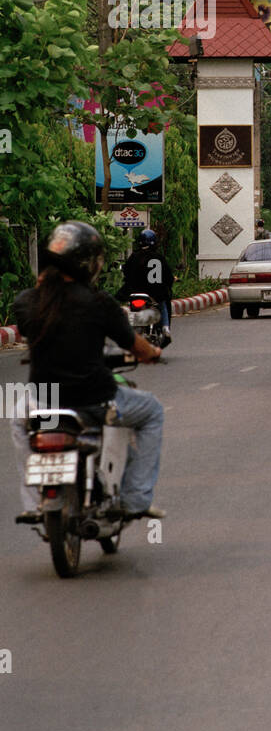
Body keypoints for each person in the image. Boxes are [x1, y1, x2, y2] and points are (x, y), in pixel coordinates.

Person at [11, 221, 165, 524]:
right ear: (88, 264)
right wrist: (153, 353)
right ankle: (135, 499)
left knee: (18, 423)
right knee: (153, 411)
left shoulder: (26, 303)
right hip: (94, 401)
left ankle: (34, 502)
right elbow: (137, 347)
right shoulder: (98, 303)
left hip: (43, 401)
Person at [120, 228, 174, 342]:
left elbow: (126, 273)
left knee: (127, 306)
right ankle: (165, 328)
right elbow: (168, 277)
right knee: (164, 303)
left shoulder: (134, 257)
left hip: (135, 292)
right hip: (155, 294)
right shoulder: (159, 258)